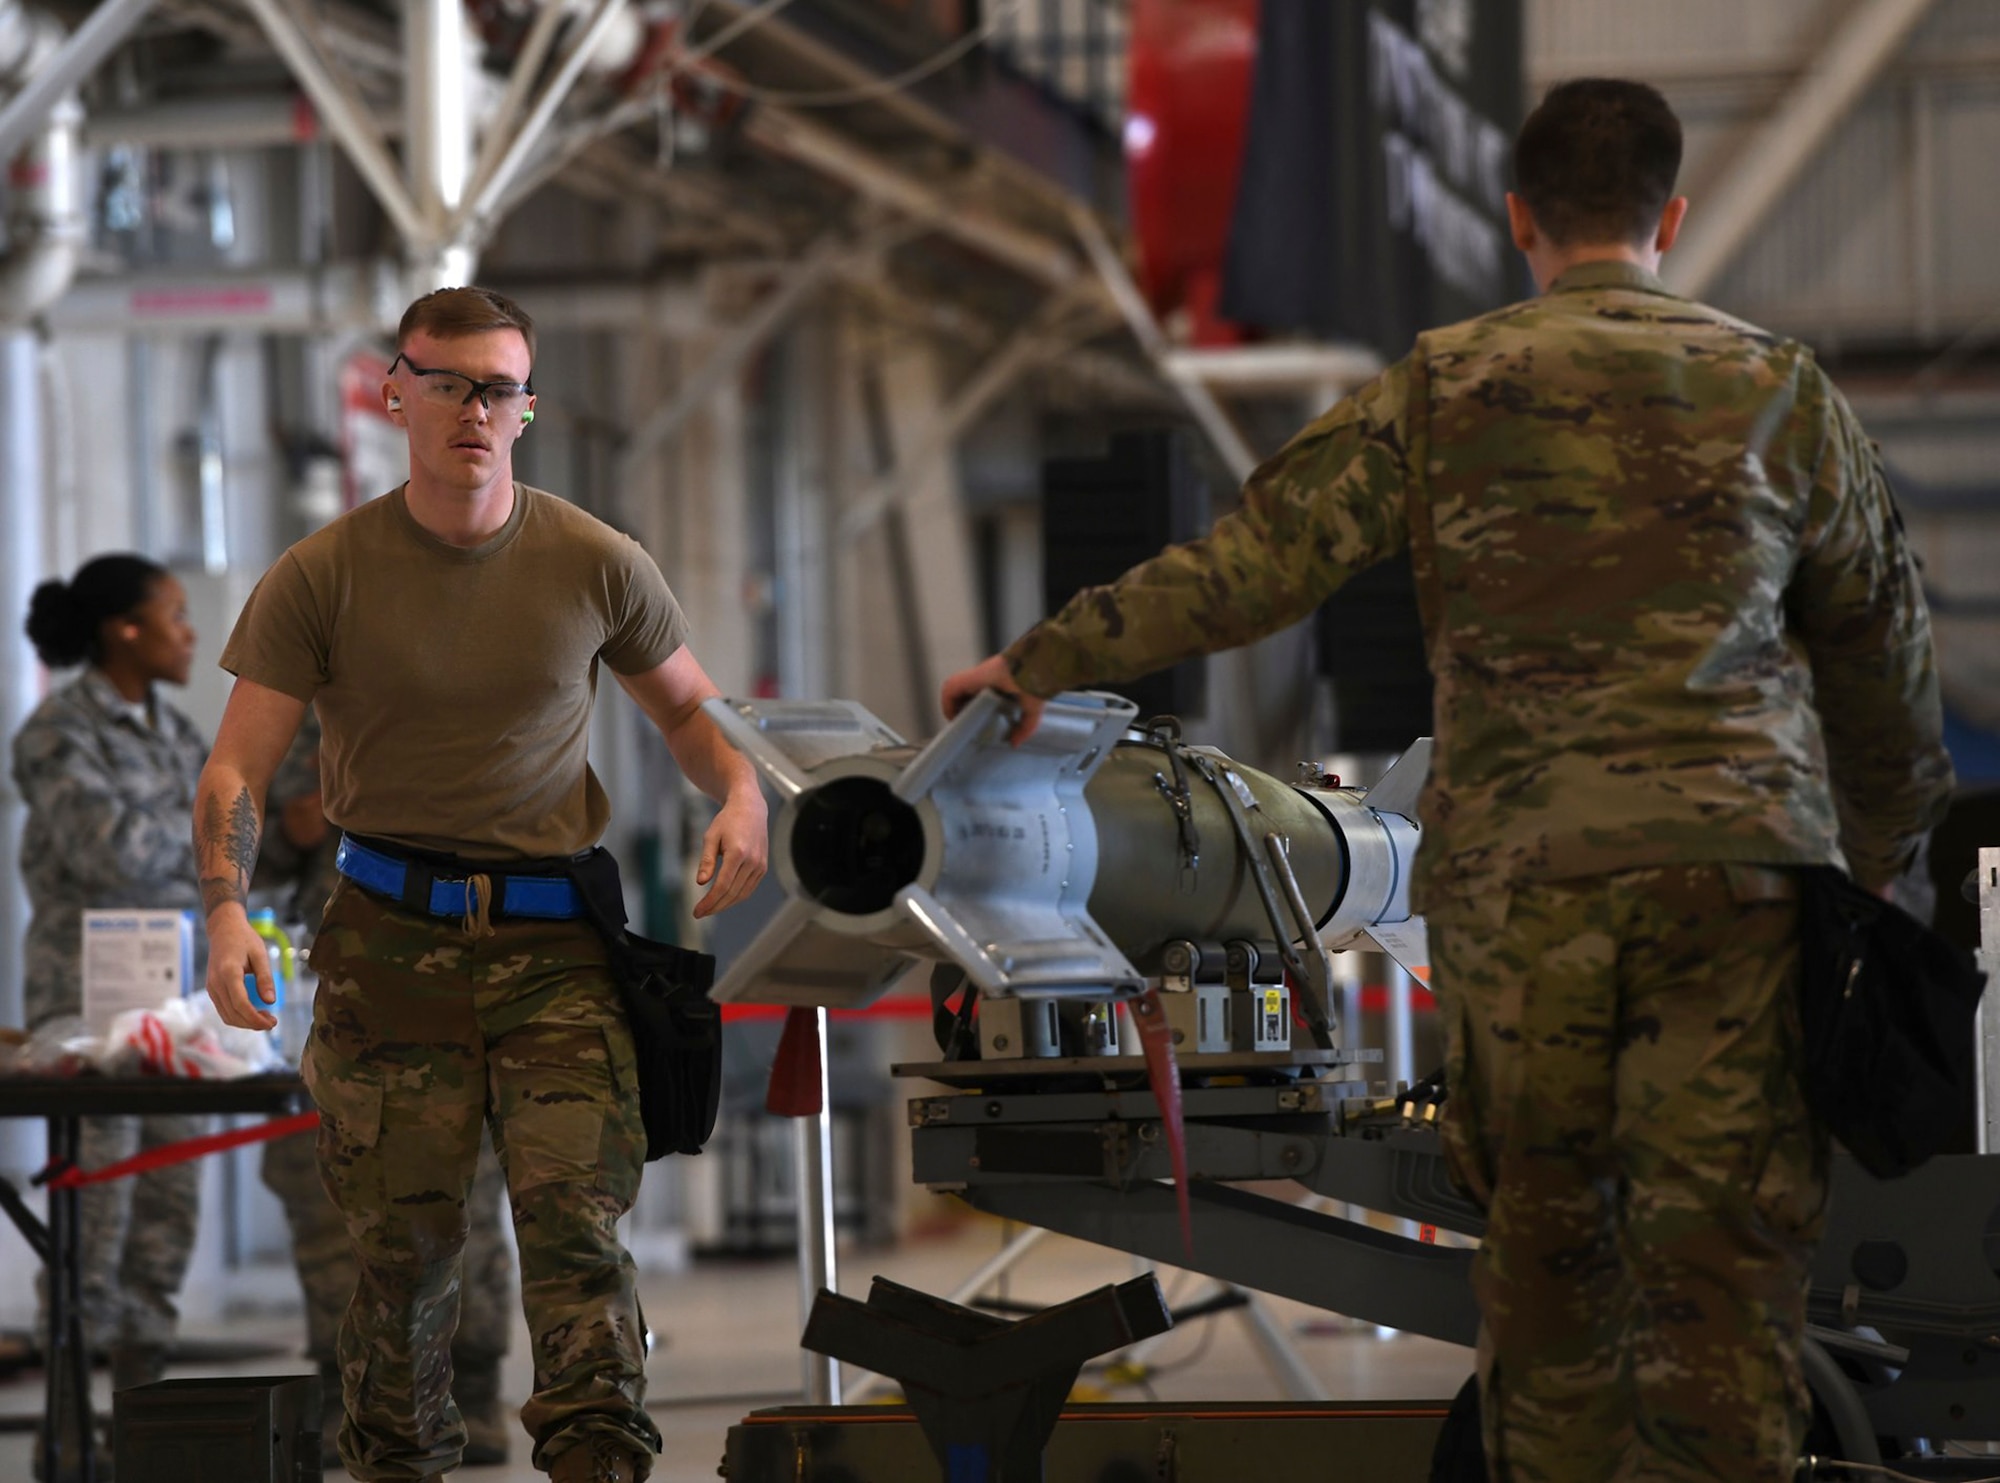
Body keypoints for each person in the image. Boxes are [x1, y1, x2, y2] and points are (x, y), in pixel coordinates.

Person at [942, 79, 1953, 1483]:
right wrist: (1886, 867)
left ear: (1519, 218)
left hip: (1524, 892)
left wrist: (1042, 660)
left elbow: (1255, 568)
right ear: (1670, 216)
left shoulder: (1445, 382)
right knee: (1719, 1265)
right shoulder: (1780, 388)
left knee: (1545, 1253)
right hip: (1733, 885)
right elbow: (1887, 667)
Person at [193, 285, 769, 1483]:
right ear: (395, 390)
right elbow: (234, 769)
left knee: (576, 1234)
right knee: (398, 1256)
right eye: (446, 382)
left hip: (557, 950)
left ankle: (599, 1463)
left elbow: (697, 719)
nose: (472, 408)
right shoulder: (323, 573)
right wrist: (225, 908)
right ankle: (398, 1463)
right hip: (384, 945)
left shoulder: (593, 560)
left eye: (496, 388)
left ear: (527, 411)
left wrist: (744, 793)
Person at [253, 708, 520, 1470]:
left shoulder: (464, 703)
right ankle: (350, 1395)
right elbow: (254, 859)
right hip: (342, 986)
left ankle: (473, 1388)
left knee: (468, 1195)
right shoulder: (304, 725)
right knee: (330, 1196)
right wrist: (297, 835)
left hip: (458, 981)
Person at [12, 555, 206, 1396]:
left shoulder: (177, 732)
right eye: (173, 613)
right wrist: (202, 834)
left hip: (174, 1003)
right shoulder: (58, 731)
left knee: (168, 1209)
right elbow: (109, 850)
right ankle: (70, 1416)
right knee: (95, 1215)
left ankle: (145, 1409)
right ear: (124, 629)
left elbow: (240, 840)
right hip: (88, 1007)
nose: (190, 632)